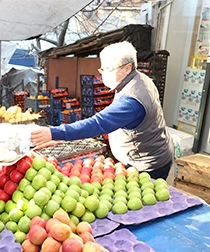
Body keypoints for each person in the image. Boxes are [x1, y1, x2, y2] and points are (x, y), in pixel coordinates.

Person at [30, 41, 173, 180]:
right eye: (102, 68)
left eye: (108, 69)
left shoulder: (132, 100)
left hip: (147, 165)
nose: (103, 73)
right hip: (153, 151)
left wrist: (53, 133)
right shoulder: (138, 78)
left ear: (128, 68)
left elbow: (97, 124)